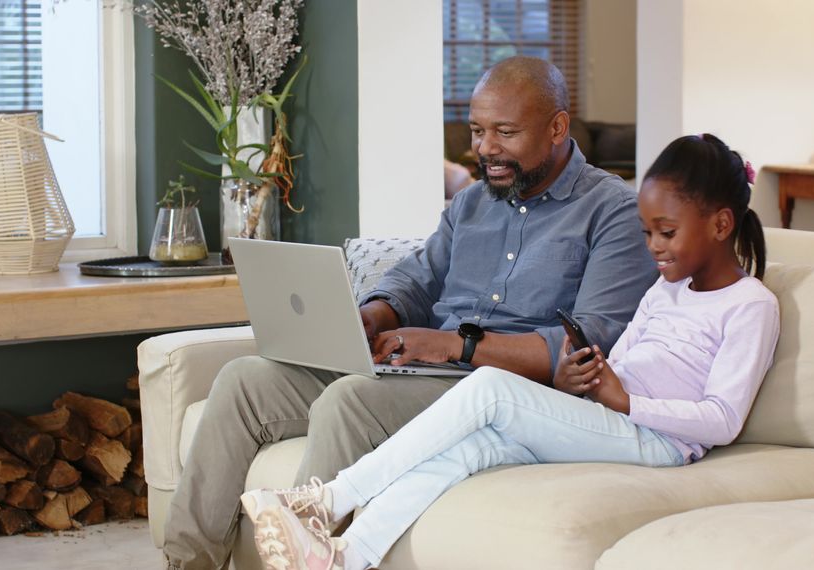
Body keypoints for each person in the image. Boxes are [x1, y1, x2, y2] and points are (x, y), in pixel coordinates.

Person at [162, 56, 658, 569]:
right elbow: (416, 277)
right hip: (426, 370)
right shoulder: (472, 204)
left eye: (505, 132)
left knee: (351, 400)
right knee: (244, 380)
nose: (485, 148)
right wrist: (374, 314)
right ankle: (185, 563)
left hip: (497, 390)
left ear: (557, 126)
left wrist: (456, 345)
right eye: (477, 130)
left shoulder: (614, 211)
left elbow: (591, 341)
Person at [240, 133, 782, 570]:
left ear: (720, 224)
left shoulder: (751, 306)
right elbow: (626, 360)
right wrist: (585, 377)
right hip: (609, 417)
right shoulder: (666, 290)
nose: (653, 248)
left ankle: (329, 499)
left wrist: (626, 403)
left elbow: (723, 419)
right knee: (471, 449)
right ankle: (343, 556)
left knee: (490, 388)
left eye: (666, 232)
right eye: (646, 233)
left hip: (659, 440)